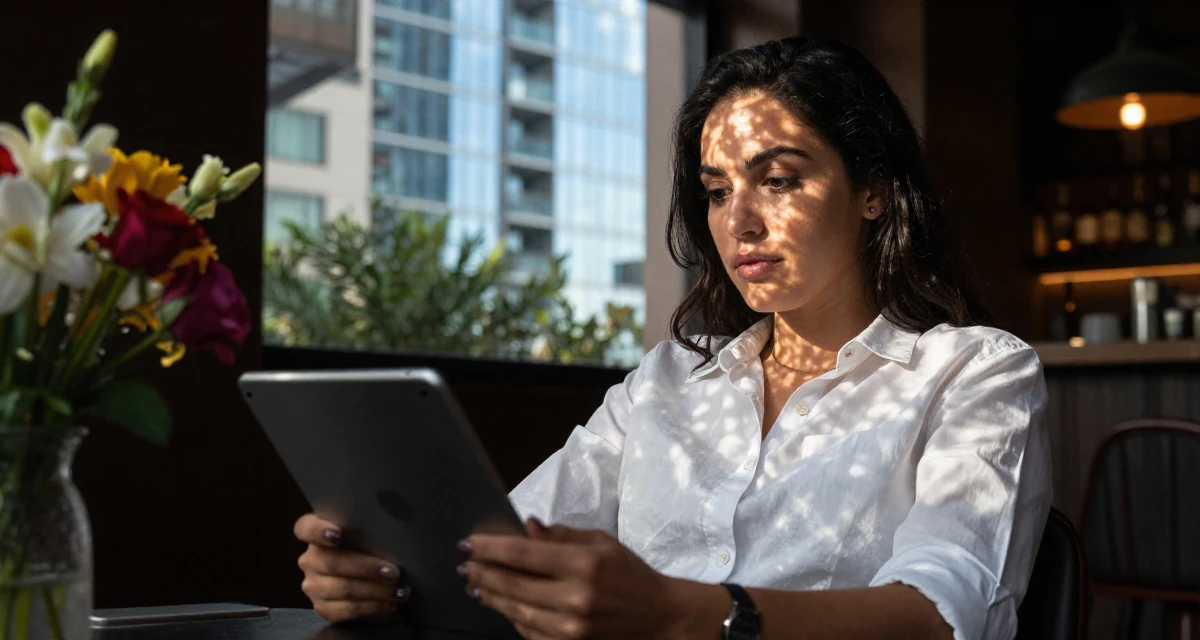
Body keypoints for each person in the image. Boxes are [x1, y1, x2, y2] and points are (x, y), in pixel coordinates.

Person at [292, 36, 1052, 640]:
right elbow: (505, 543)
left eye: (779, 179)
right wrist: (384, 574)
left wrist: (681, 614)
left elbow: (941, 616)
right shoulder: (664, 384)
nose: (740, 221)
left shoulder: (976, 373)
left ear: (875, 190)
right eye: (718, 191)